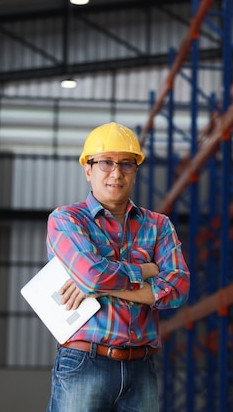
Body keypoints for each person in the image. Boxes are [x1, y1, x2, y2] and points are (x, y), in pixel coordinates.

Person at [45, 122, 191, 412]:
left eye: (126, 163)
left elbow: (178, 289)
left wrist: (99, 287)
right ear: (88, 169)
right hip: (85, 362)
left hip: (141, 367)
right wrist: (146, 270)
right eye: (106, 162)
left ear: (135, 171)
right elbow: (92, 275)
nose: (116, 172)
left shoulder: (158, 225)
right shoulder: (66, 220)